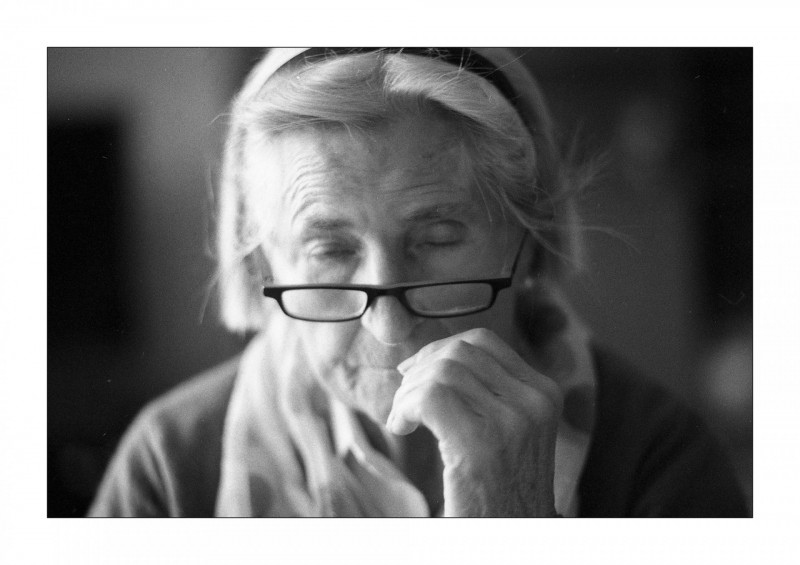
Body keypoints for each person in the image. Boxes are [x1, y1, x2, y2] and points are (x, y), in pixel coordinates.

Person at [88, 48, 748, 517]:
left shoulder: (658, 458)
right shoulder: (168, 465)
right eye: (330, 249)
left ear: (528, 242)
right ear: (265, 268)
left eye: (436, 238)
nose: (389, 323)